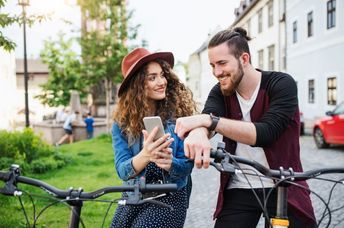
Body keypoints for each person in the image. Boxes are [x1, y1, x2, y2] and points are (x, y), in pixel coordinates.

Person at [174, 27, 316, 228]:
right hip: (240, 186)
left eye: (222, 63)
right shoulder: (221, 90)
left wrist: (208, 122)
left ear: (244, 59)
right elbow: (209, 116)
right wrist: (199, 132)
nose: (217, 72)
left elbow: (266, 133)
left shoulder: (281, 84)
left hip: (284, 184)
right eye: (213, 65)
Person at [111, 48, 197, 228]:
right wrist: (146, 155)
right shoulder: (121, 124)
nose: (161, 82)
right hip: (135, 194)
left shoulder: (179, 117)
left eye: (162, 75)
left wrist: (170, 163)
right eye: (152, 78)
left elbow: (187, 166)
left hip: (171, 194)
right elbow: (122, 170)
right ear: (137, 86)